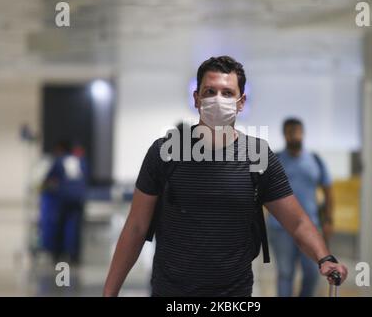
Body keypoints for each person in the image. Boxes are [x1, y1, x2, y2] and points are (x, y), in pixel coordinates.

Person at [103, 56, 347, 297]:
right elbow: (135, 227)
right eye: (209, 91)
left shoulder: (257, 156)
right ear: (196, 98)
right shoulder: (165, 152)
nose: (218, 99)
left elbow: (297, 222)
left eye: (227, 93)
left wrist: (324, 257)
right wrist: (109, 293)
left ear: (241, 102)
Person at [268, 118, 334, 297]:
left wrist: (328, 220)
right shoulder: (275, 160)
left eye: (297, 131)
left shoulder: (315, 160)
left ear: (303, 133)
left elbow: (328, 191)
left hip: (309, 226)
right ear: (284, 135)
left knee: (313, 272)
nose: (294, 135)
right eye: (290, 132)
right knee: (285, 273)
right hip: (279, 228)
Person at [44, 140, 87, 264]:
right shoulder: (81, 161)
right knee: (75, 227)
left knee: (59, 225)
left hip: (63, 198)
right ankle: (74, 256)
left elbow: (48, 179)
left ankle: (57, 254)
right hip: (79, 198)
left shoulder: (59, 161)